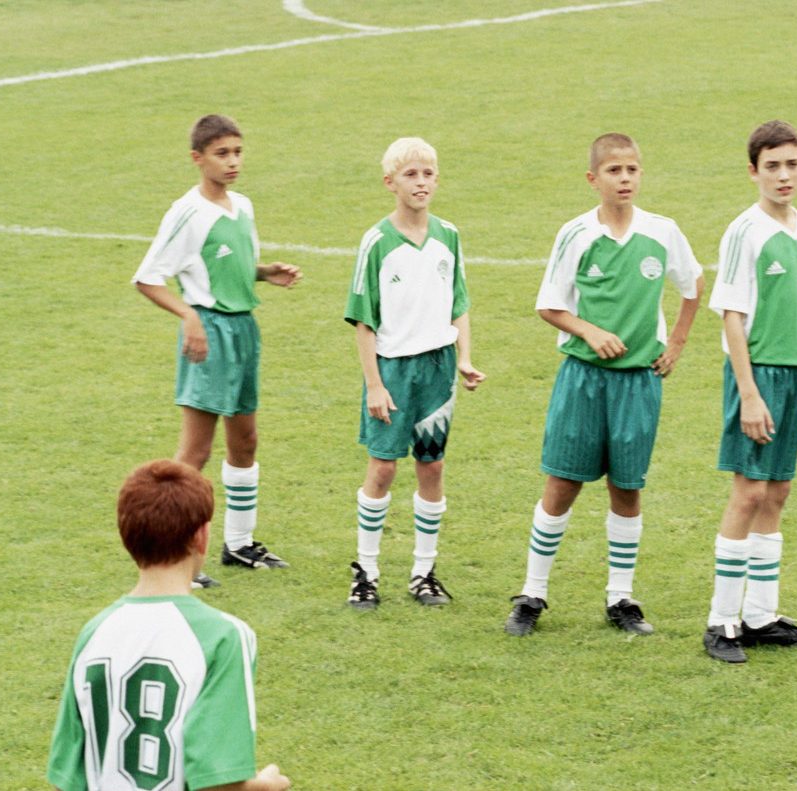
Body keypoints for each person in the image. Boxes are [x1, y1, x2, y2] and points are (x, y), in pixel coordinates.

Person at [504, 133, 705, 637]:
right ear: (594, 179)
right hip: (582, 379)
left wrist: (676, 344)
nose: (625, 180)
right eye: (614, 171)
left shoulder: (662, 232)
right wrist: (590, 332)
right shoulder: (575, 234)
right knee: (562, 484)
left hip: (639, 382)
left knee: (627, 488)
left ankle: (621, 598)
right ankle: (533, 593)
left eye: (632, 170)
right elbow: (549, 304)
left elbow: (693, 285)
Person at [47, 460, 290, 791]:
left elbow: (69, 777)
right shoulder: (224, 637)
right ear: (201, 537)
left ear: (127, 537)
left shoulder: (94, 632)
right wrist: (265, 785)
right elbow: (219, 783)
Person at [132, 114, 302, 588]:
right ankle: (172, 551)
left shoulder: (241, 206)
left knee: (245, 442)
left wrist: (265, 272)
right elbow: (148, 278)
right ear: (197, 158)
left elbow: (229, 265)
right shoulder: (186, 212)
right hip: (208, 335)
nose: (233, 162)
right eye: (222, 154)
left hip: (244, 329)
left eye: (238, 152)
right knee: (196, 451)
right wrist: (189, 318)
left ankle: (240, 545)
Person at [702, 120, 797, 663]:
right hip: (755, 373)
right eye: (772, 166)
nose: (784, 175)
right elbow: (732, 315)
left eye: (792, 164)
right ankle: (720, 622)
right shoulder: (745, 231)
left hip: (795, 376)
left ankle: (760, 615)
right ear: (753, 171)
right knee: (748, 493)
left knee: (777, 493)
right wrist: (749, 393)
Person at [343, 137, 485, 610]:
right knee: (383, 468)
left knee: (432, 465)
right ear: (391, 183)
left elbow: (458, 304)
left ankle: (424, 571)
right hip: (394, 371)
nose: (421, 182)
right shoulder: (378, 242)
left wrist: (464, 357)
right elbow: (364, 321)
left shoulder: (449, 237)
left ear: (437, 179)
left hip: (438, 369)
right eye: (410, 175)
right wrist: (375, 385)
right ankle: (366, 570)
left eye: (427, 174)